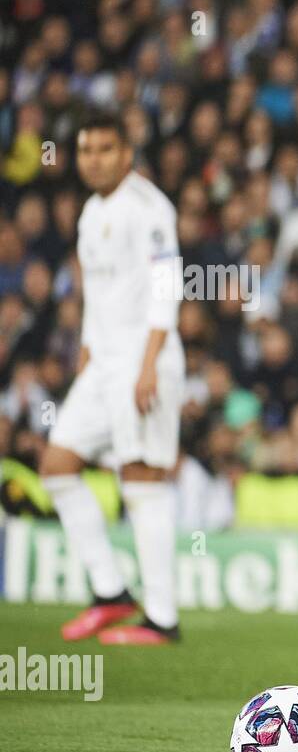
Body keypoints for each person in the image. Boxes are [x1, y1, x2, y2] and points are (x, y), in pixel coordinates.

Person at [41, 111, 184, 645]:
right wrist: (86, 349)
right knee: (57, 466)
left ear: (126, 153)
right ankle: (110, 592)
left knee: (141, 479)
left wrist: (149, 361)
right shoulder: (89, 211)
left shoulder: (149, 208)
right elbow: (97, 293)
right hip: (102, 362)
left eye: (104, 149)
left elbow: (167, 286)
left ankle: (162, 619)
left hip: (144, 360)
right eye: (85, 150)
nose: (94, 159)